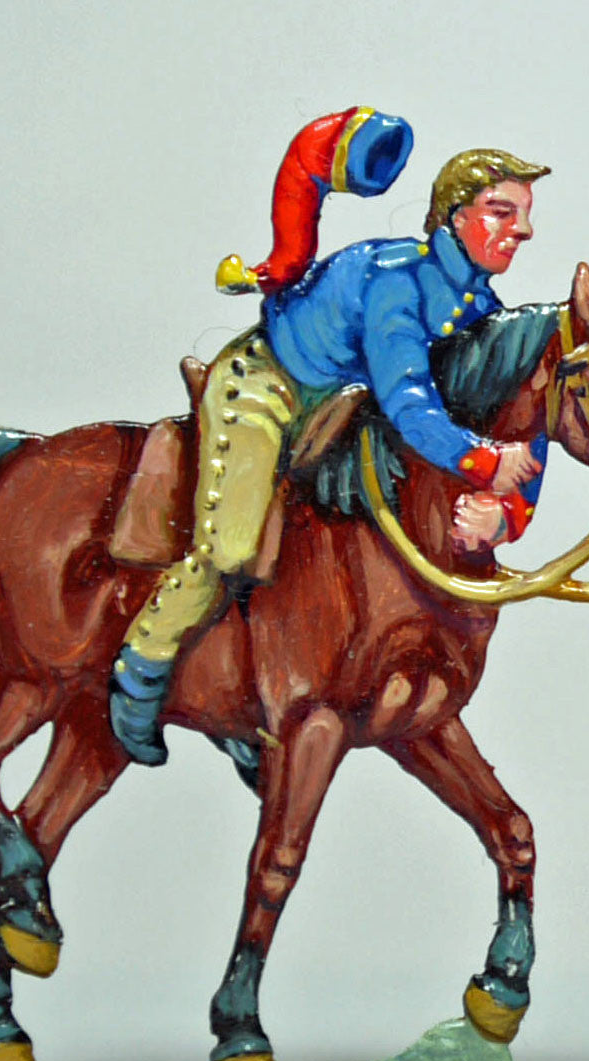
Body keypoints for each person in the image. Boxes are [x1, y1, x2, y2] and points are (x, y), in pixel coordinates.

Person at [110, 108, 549, 765]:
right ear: (454, 216)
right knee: (231, 547)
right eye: (501, 211)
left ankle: (245, 693)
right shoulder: (396, 282)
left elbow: (517, 422)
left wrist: (507, 512)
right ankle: (140, 671)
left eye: (524, 215)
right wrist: (483, 463)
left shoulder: (479, 310)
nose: (523, 230)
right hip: (271, 389)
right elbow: (409, 401)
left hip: (347, 408)